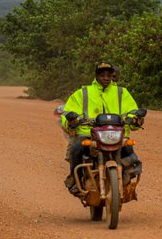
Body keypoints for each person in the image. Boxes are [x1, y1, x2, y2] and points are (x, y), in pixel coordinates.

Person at [59, 61, 143, 195]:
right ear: (96, 76)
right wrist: (71, 121)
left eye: (109, 75)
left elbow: (133, 110)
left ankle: (127, 180)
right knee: (76, 149)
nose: (106, 78)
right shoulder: (83, 93)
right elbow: (67, 113)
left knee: (131, 154)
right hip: (88, 134)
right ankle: (76, 180)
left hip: (117, 135)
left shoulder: (122, 93)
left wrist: (135, 119)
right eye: (102, 75)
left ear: (112, 76)